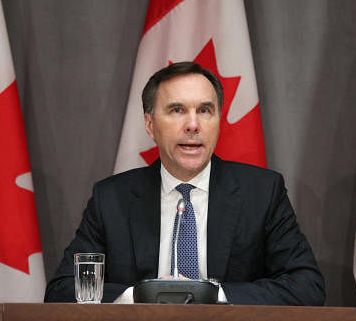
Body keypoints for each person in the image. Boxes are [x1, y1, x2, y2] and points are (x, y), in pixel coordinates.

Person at [44, 62, 325, 305]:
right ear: (150, 124)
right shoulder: (111, 199)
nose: (193, 125)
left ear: (218, 121)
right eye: (177, 110)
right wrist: (140, 295)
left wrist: (212, 294)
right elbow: (63, 290)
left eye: (205, 111)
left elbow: (306, 286)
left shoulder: (262, 193)